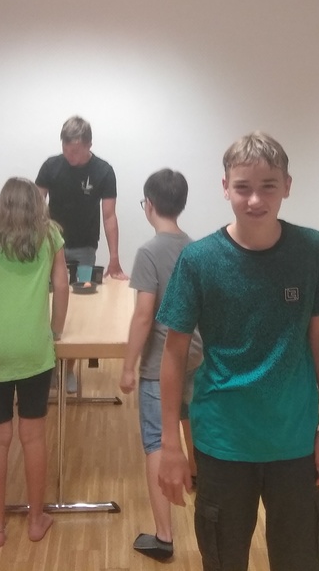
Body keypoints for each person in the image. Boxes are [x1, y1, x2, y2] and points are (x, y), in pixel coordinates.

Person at [158, 132, 319, 571]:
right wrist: (170, 444)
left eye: (268, 186)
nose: (255, 199)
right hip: (222, 442)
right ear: (225, 187)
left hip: (294, 439)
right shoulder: (199, 259)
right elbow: (174, 353)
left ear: (287, 186)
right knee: (223, 561)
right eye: (243, 187)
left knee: (300, 561)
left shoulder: (312, 249)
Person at [0, 177, 69, 548]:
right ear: (37, 205)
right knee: (33, 436)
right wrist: (55, 330)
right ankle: (36, 520)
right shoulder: (49, 235)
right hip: (34, 350)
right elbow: (62, 286)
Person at [118, 168, 203, 562]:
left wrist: (127, 365)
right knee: (191, 426)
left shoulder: (149, 252)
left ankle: (164, 537)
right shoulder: (196, 249)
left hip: (159, 363)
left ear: (148, 205)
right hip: (196, 357)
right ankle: (199, 487)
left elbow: (143, 315)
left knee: (156, 442)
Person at [35, 115, 127, 280]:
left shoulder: (103, 171)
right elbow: (34, 206)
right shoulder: (50, 166)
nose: (69, 155)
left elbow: (109, 216)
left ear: (89, 145)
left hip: (85, 247)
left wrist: (114, 258)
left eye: (75, 151)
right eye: (65, 149)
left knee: (84, 289)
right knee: (51, 289)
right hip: (52, 243)